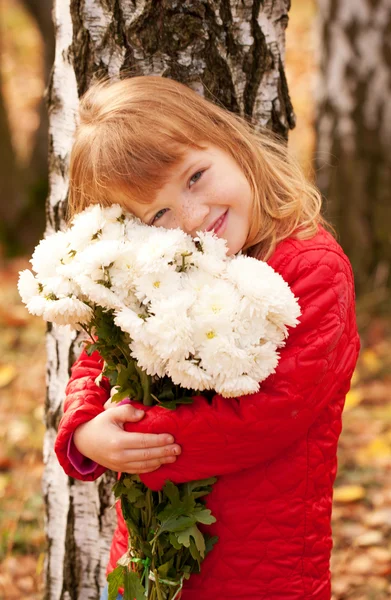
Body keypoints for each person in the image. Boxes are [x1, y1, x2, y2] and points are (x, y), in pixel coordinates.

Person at [54, 76, 360, 600]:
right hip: (147, 556)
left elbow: (266, 419)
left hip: (264, 566)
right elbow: (100, 356)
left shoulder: (311, 267)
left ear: (228, 140)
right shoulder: (150, 269)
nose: (194, 217)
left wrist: (136, 441)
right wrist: (85, 431)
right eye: (158, 214)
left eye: (195, 177)